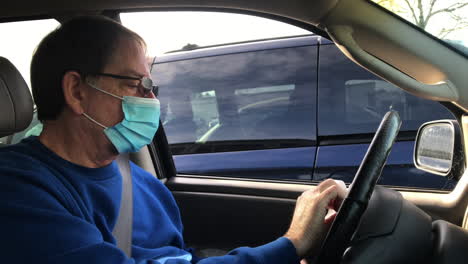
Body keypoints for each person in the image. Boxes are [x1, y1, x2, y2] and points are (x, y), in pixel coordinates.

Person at [0, 16, 347, 264]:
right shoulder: (16, 190)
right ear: (77, 91)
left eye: (152, 87)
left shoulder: (139, 181)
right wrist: (292, 243)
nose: (152, 102)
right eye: (137, 85)